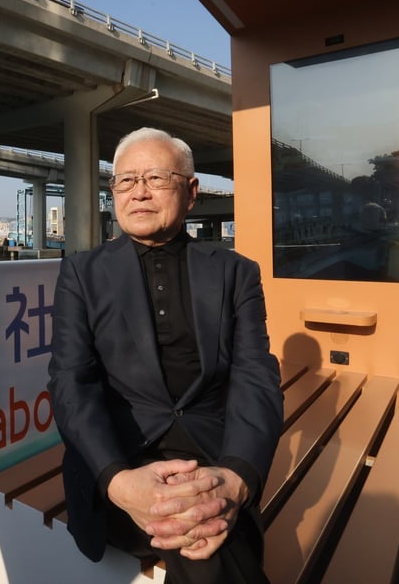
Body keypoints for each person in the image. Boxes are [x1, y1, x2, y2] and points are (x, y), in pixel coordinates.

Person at [47, 127, 284, 583]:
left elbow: (256, 377)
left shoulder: (235, 273)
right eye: (125, 181)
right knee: (203, 536)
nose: (138, 192)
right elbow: (70, 383)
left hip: (211, 457)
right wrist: (119, 482)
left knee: (198, 519)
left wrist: (237, 477)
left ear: (191, 192)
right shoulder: (81, 273)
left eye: (156, 178)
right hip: (119, 459)